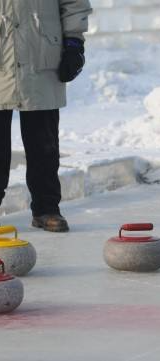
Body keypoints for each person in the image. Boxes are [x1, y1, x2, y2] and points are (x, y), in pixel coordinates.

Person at [0, 0, 92, 232]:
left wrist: (74, 43)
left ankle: (46, 209)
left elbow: (74, 3)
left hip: (40, 57)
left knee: (44, 144)